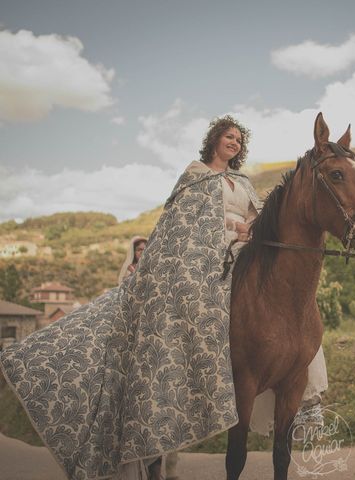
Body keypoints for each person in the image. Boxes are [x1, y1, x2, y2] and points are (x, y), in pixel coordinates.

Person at [0, 115, 326, 480]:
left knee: (288, 298)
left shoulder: (244, 182)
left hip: (246, 247)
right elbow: (184, 220)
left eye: (238, 138)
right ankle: (195, 348)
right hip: (207, 250)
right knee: (196, 296)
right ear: (215, 140)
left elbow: (258, 217)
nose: (233, 142)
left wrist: (256, 227)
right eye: (228, 136)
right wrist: (232, 227)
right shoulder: (196, 174)